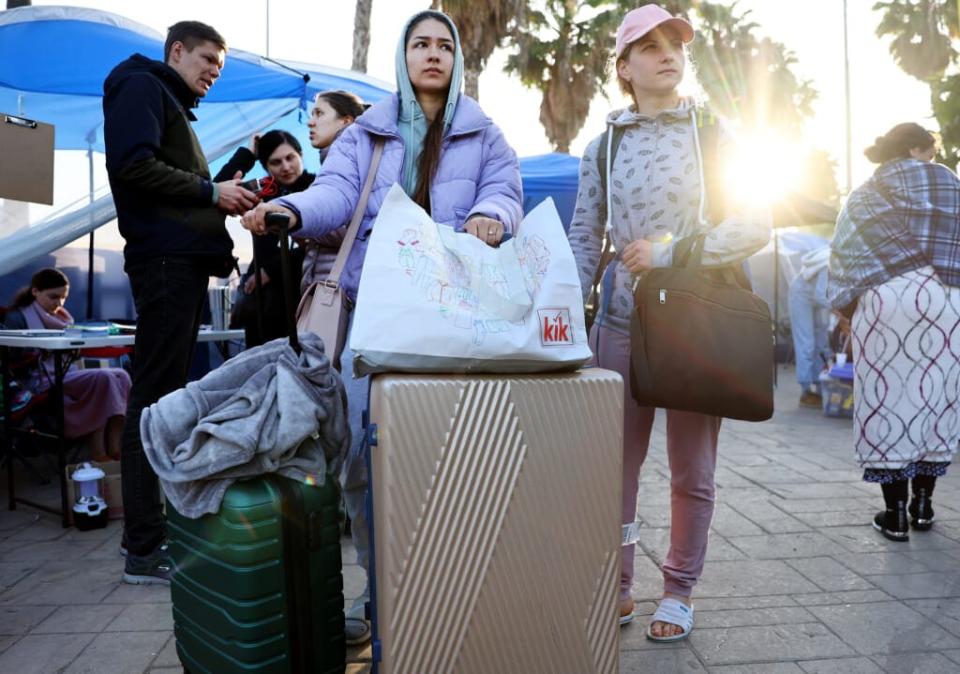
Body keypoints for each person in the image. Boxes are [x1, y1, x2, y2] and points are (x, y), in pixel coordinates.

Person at [243, 9, 522, 644]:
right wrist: (287, 208)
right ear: (402, 57)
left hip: (456, 316)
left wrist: (489, 215)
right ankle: (380, 594)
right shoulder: (362, 135)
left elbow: (506, 191)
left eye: (443, 45)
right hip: (373, 313)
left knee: (455, 455)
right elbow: (336, 197)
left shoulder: (487, 135)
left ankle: (447, 591)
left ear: (456, 58)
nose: (432, 54)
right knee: (366, 462)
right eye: (420, 43)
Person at [567, 4, 770, 641]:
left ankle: (679, 590)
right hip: (621, 326)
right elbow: (582, 235)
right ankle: (618, 587)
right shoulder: (603, 146)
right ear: (623, 67)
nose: (667, 54)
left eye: (674, 44)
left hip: (693, 325)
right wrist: (569, 312)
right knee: (612, 469)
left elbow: (755, 223)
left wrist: (673, 252)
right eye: (647, 46)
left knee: (692, 470)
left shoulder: (713, 137)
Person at [103, 20, 258, 585]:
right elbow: (134, 168)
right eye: (206, 59)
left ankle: (152, 537)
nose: (213, 71)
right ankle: (143, 549)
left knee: (161, 401)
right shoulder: (140, 85)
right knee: (150, 403)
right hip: (165, 266)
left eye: (220, 65)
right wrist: (211, 191)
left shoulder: (165, 99)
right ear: (175, 51)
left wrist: (224, 185)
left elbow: (181, 191)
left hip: (179, 263)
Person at [828, 122, 959, 542]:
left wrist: (848, 309)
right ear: (919, 148)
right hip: (948, 297)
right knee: (936, 398)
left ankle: (895, 513)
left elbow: (845, 254)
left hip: (887, 299)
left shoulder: (866, 192)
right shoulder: (949, 182)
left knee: (888, 400)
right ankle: (924, 506)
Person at [3, 269, 131, 462]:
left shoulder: (62, 317)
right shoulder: (17, 317)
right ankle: (99, 450)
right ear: (35, 291)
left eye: (63, 298)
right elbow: (10, 354)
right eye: (53, 297)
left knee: (121, 375)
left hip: (64, 373)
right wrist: (42, 349)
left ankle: (114, 444)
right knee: (104, 379)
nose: (59, 303)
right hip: (37, 378)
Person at [219, 130, 313, 346]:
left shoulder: (317, 190)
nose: (286, 167)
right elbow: (218, 189)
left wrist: (271, 270)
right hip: (263, 302)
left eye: (290, 158)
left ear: (301, 155)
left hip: (302, 294)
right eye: (276, 162)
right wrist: (248, 154)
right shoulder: (263, 192)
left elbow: (319, 245)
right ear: (266, 166)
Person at [299, 90, 366, 294]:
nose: (311, 122)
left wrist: (301, 221)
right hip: (329, 287)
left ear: (346, 121)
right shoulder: (333, 162)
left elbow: (357, 227)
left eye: (319, 114)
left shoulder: (357, 163)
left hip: (342, 291)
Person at [788, 246, 832, 408]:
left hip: (816, 300)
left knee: (822, 343)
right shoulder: (829, 263)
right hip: (800, 295)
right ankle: (806, 391)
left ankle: (820, 387)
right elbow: (821, 296)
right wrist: (840, 313)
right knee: (806, 343)